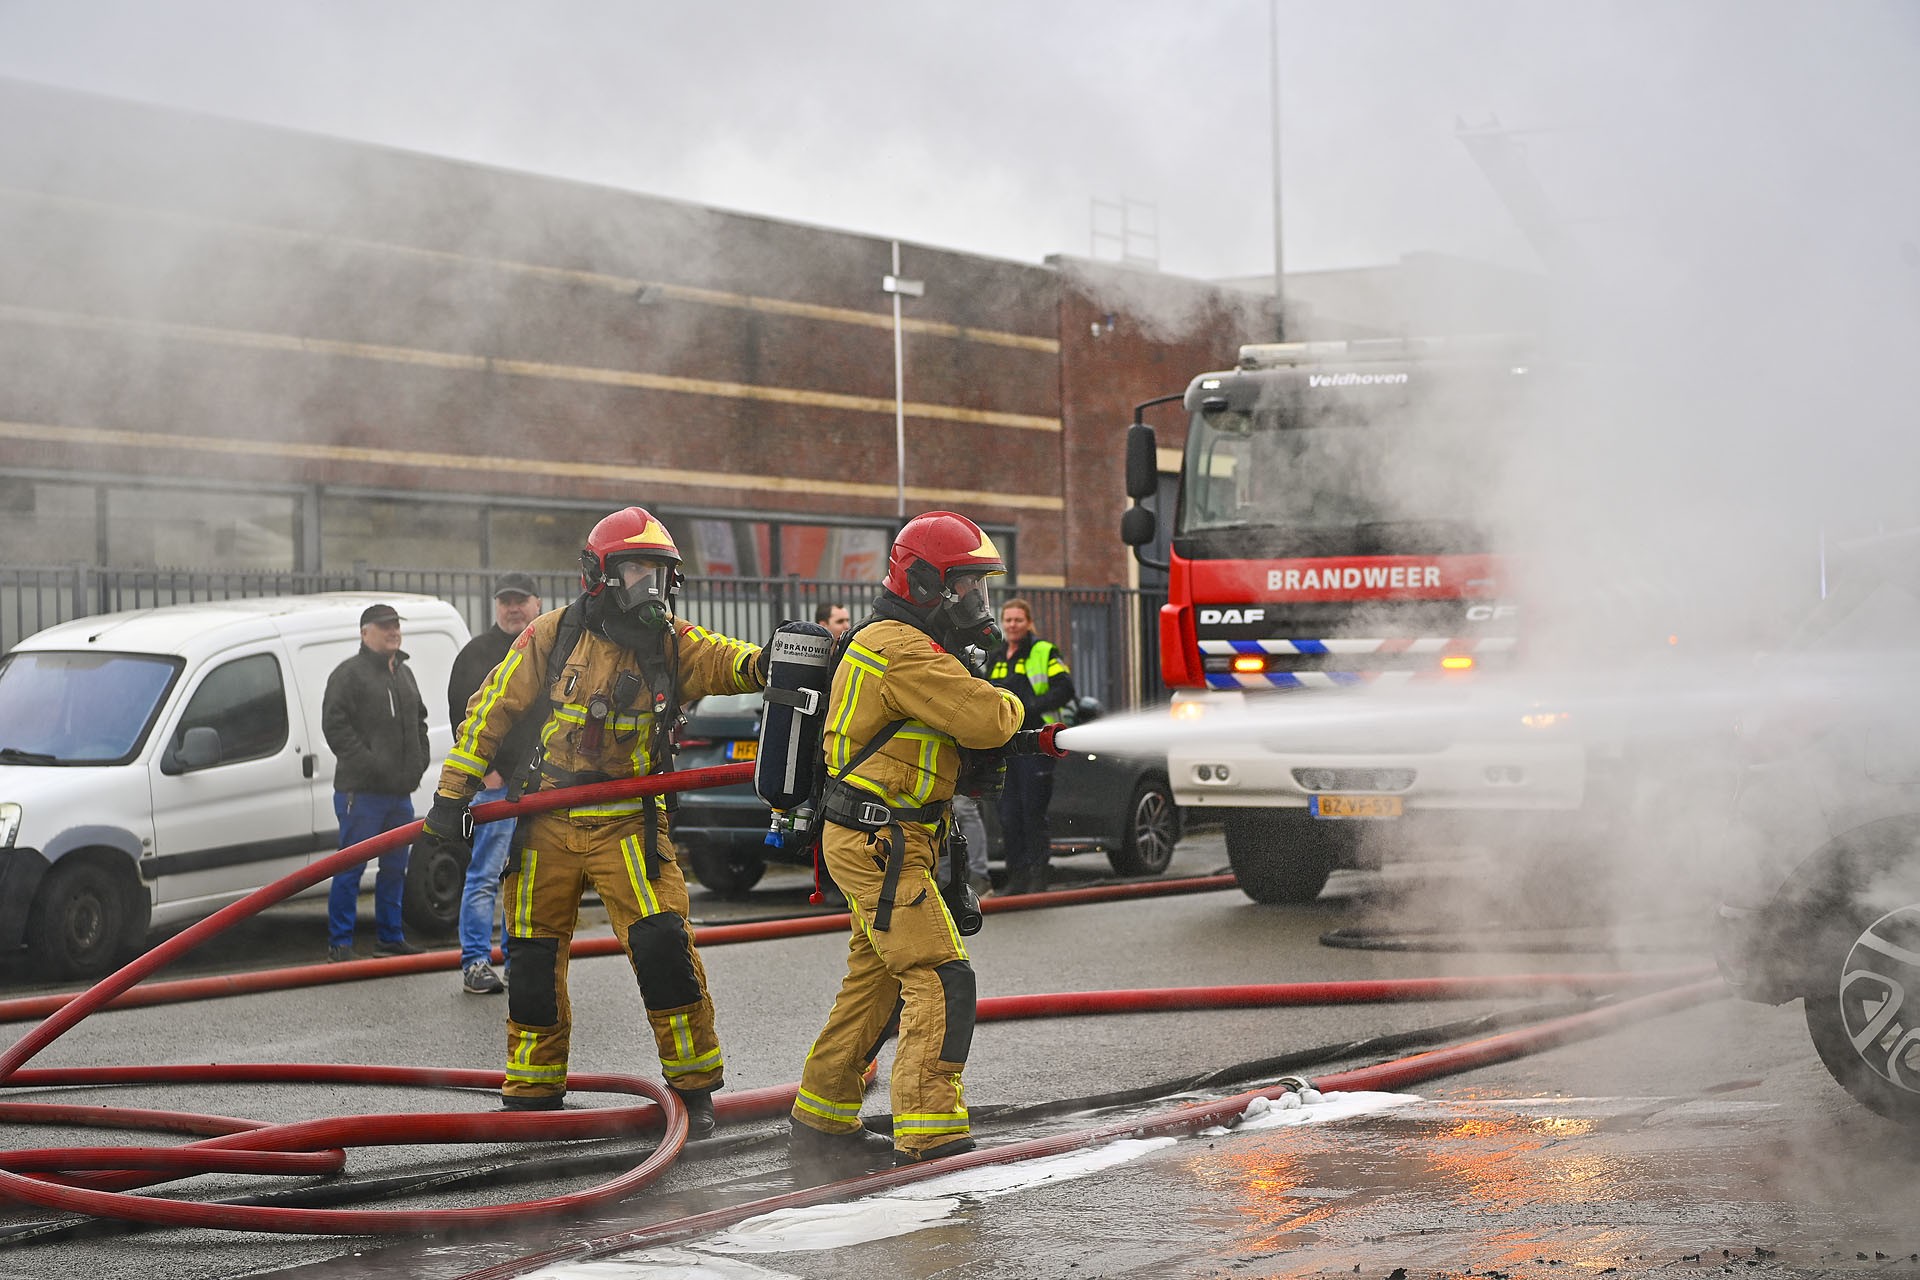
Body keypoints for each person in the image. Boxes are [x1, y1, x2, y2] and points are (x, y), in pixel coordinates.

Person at [418, 507, 768, 1132]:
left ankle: (693, 1088)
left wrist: (775, 662)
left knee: (663, 947)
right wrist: (451, 800)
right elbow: (489, 712)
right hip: (546, 820)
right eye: (636, 572)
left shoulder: (670, 644)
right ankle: (532, 1086)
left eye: (659, 575)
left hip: (628, 824)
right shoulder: (551, 637)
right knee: (530, 956)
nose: (649, 589)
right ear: (598, 575)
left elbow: (725, 660)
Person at [788, 511, 1023, 1171]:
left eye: (983, 586)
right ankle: (931, 1135)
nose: (980, 600)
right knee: (940, 975)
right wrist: (1011, 702)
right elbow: (986, 717)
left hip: (881, 837)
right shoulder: (901, 648)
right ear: (924, 581)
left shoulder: (897, 639)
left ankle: (821, 1120)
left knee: (875, 984)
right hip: (881, 842)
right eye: (968, 585)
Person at [445, 573, 544, 995]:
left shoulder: (550, 649)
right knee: (486, 873)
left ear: (537, 604)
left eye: (520, 600)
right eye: (505, 601)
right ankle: (476, 962)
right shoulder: (475, 654)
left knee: (529, 876)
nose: (512, 607)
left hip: (542, 786)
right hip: (497, 788)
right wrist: (485, 774)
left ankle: (519, 960)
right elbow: (460, 716)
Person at [322, 603, 432, 962]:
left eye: (396, 625)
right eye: (384, 626)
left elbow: (420, 722)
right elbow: (335, 728)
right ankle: (340, 944)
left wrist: (418, 763)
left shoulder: (405, 674)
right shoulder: (348, 675)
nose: (393, 632)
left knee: (395, 869)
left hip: (399, 794)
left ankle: (390, 937)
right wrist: (372, 765)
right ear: (364, 633)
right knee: (350, 867)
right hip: (362, 794)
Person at [987, 597, 1075, 896]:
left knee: (1032, 812)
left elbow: (1065, 689)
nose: (1012, 625)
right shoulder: (997, 657)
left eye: (1018, 620)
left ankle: (1038, 877)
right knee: (1008, 814)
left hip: (1036, 744)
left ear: (1028, 622)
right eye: (1008, 620)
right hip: (1006, 745)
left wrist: (1032, 708)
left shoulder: (1044, 651)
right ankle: (1017, 877)